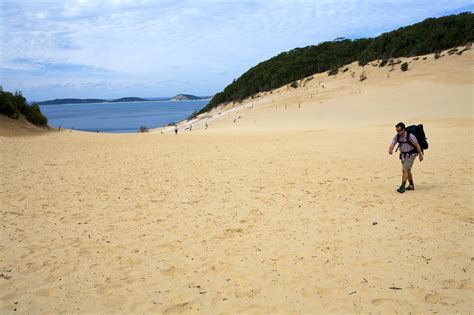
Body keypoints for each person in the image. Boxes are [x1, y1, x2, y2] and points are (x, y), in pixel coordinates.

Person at [388, 122, 423, 193]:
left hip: (411, 154)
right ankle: (411, 185)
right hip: (403, 156)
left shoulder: (410, 136)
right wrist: (390, 149)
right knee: (407, 170)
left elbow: (417, 145)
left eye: (399, 130)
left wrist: (420, 155)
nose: (398, 132)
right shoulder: (397, 136)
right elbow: (393, 143)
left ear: (403, 129)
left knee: (404, 169)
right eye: (397, 131)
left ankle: (402, 187)